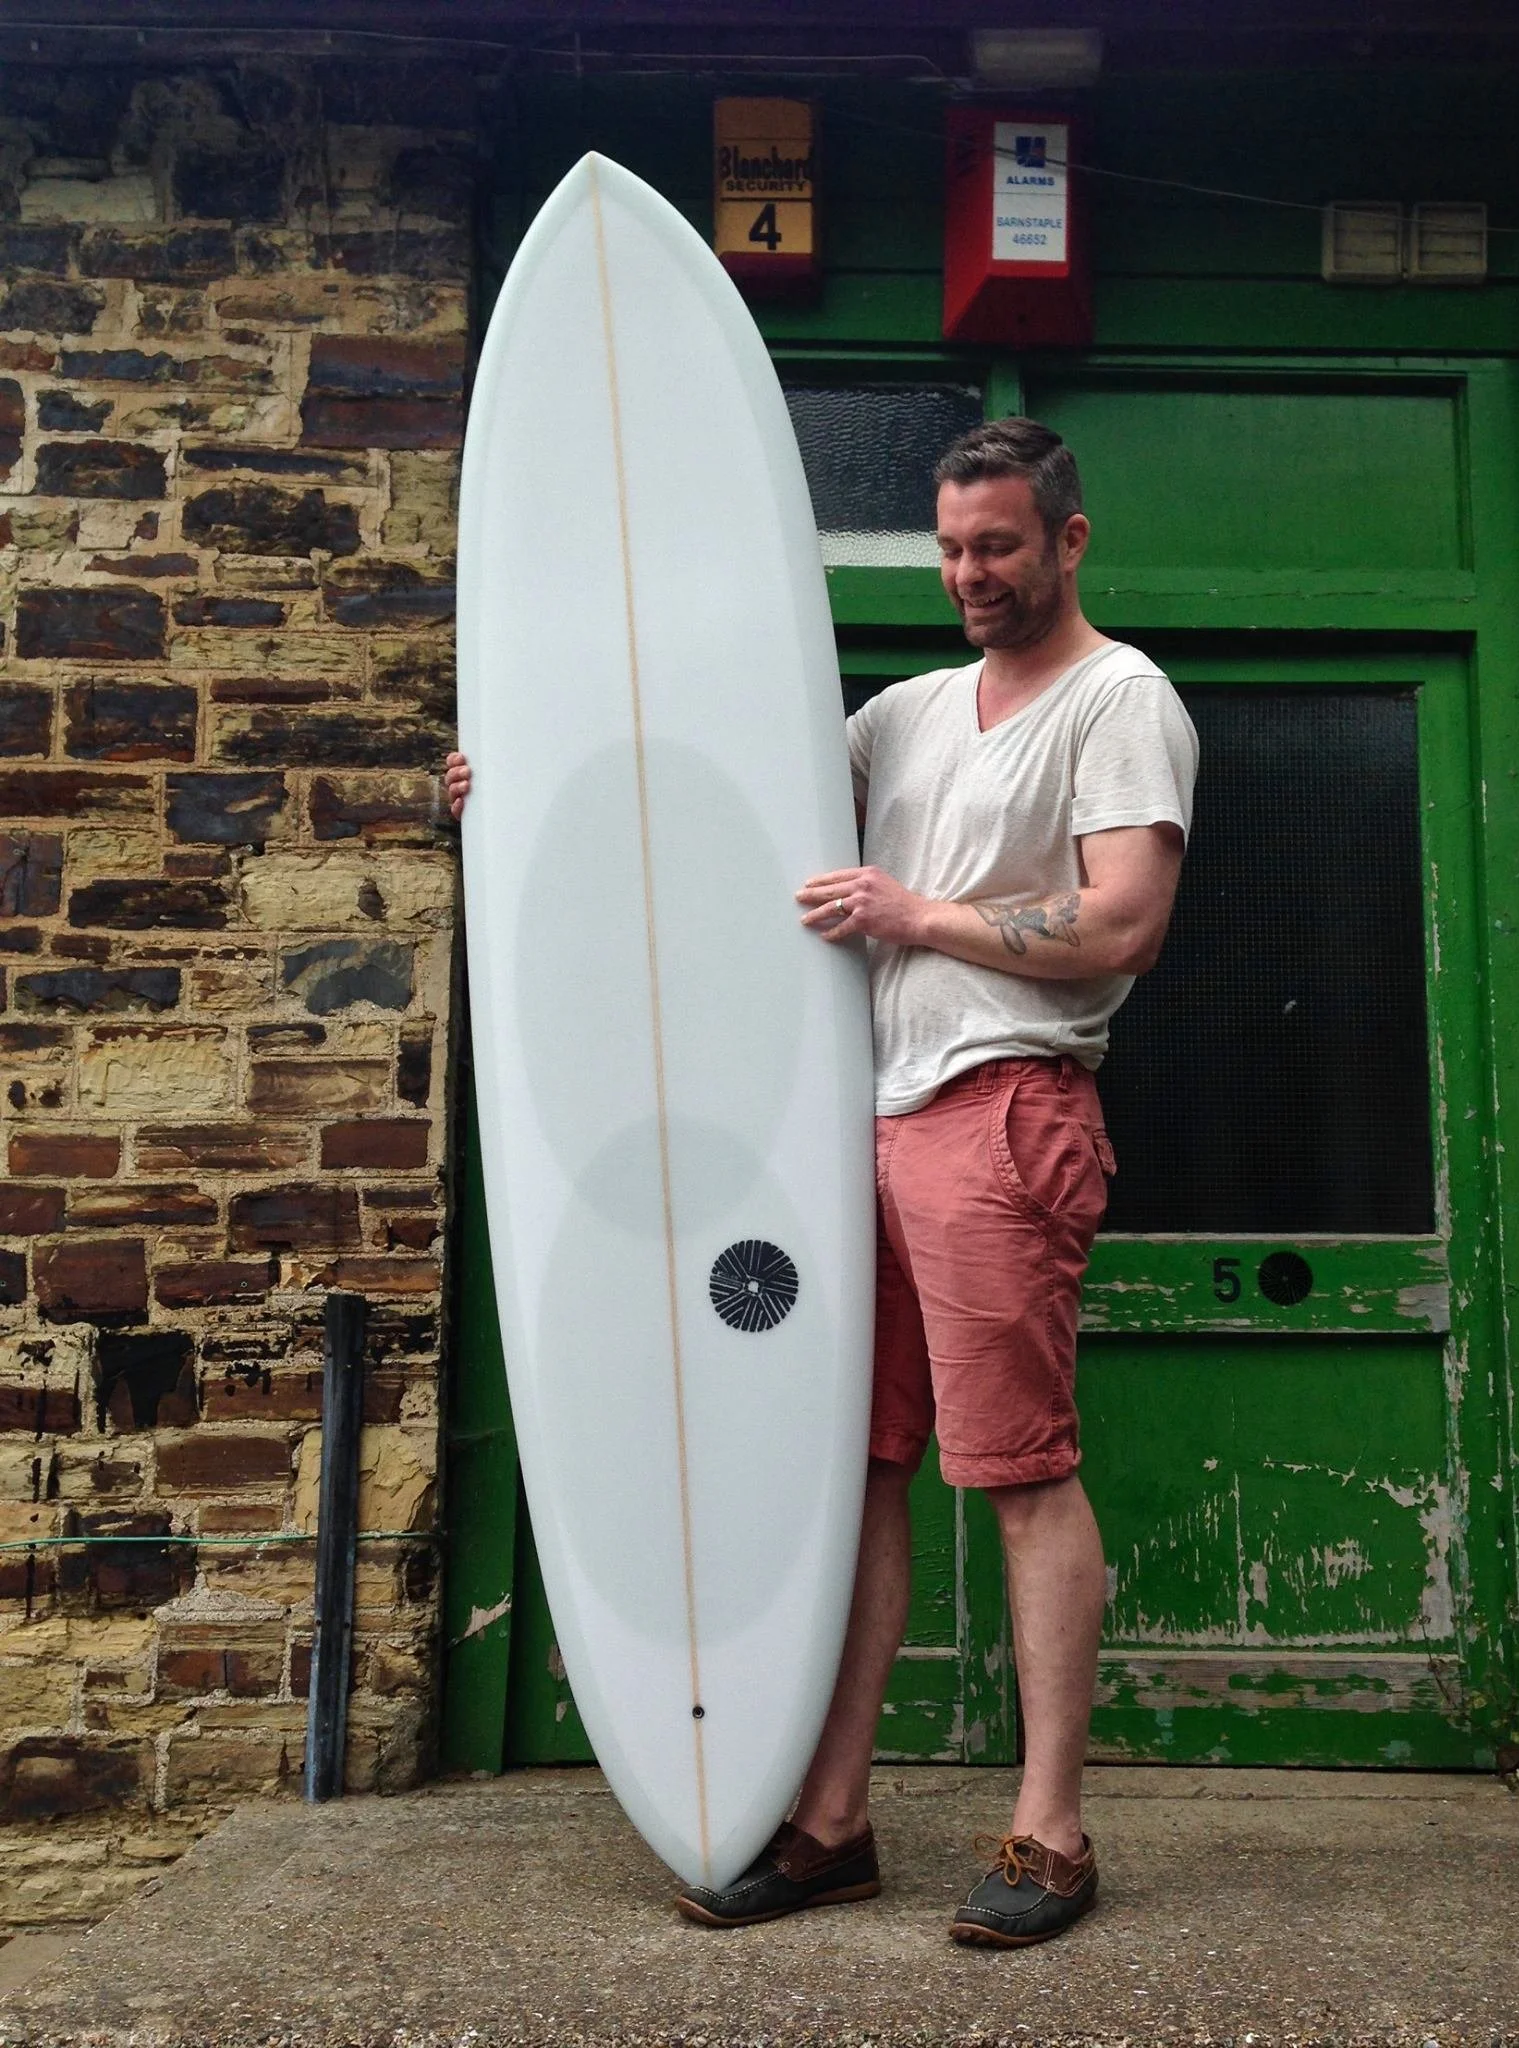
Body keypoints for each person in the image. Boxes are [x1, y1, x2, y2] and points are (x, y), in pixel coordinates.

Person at [443, 417, 1197, 1949]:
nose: (967, 574)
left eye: (995, 544)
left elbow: (1122, 925)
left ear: (1067, 538)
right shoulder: (908, 713)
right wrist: (512, 792)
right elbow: (709, 814)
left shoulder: (1119, 702)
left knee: (1019, 1471)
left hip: (1000, 1115)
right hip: (859, 1125)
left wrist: (915, 912)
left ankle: (1050, 1832)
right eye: (948, 548)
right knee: (851, 1470)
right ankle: (831, 1819)